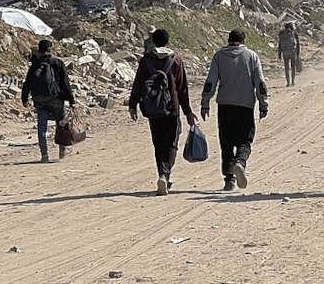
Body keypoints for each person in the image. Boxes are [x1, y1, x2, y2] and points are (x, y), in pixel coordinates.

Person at [128, 29, 196, 196]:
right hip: (171, 108)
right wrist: (188, 111)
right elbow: (182, 88)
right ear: (167, 41)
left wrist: (132, 105)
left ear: (153, 41)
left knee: (158, 144)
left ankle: (162, 174)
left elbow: (138, 84)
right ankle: (165, 174)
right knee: (171, 143)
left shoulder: (146, 60)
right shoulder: (176, 60)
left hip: (152, 109)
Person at [201, 29, 269, 191]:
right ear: (243, 41)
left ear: (228, 40)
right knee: (245, 140)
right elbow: (260, 82)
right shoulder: (252, 57)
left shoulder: (219, 56)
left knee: (226, 142)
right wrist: (263, 103)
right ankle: (240, 162)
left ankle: (229, 179)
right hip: (245, 106)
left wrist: (205, 102)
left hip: (224, 106)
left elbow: (210, 81)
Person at [21, 39, 75, 163]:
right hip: (56, 99)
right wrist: (72, 101)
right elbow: (65, 83)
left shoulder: (35, 65)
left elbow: (27, 83)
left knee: (42, 129)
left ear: (39, 50)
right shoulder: (58, 63)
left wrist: (24, 99)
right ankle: (62, 149)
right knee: (61, 125)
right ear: (50, 50)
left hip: (39, 100)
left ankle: (44, 155)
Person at [278, 22, 302, 87]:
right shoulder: (294, 33)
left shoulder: (281, 33)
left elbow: (279, 44)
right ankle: (293, 81)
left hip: (285, 53)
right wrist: (298, 53)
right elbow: (298, 44)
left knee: (286, 68)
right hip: (292, 52)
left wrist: (279, 54)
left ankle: (288, 82)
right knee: (293, 67)